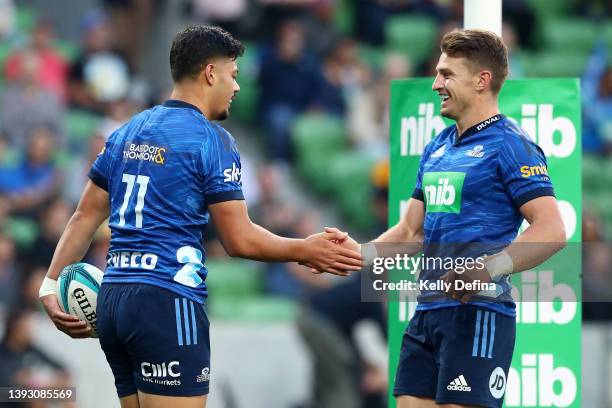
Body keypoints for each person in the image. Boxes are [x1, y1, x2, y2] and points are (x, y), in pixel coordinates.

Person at [38, 25, 362, 408]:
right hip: (166, 300)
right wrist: (304, 249)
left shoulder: (128, 131)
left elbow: (83, 216)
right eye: (233, 74)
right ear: (211, 73)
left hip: (116, 300)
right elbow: (239, 240)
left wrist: (49, 284)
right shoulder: (211, 139)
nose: (237, 87)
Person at [326, 29, 567, 407]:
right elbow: (411, 231)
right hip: (427, 312)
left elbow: (552, 230)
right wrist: (357, 254)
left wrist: (488, 270)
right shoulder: (438, 145)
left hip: (479, 312)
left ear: (482, 80)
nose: (436, 83)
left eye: (447, 74)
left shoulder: (511, 144)